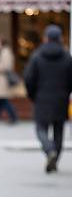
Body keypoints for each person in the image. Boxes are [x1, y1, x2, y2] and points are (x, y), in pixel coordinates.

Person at [24, 25, 72, 173]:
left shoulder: (37, 56)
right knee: (58, 130)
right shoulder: (66, 57)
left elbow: (29, 78)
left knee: (41, 128)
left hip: (42, 97)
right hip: (61, 98)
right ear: (60, 38)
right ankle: (55, 158)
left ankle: (49, 150)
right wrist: (66, 92)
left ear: (46, 38)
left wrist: (32, 95)